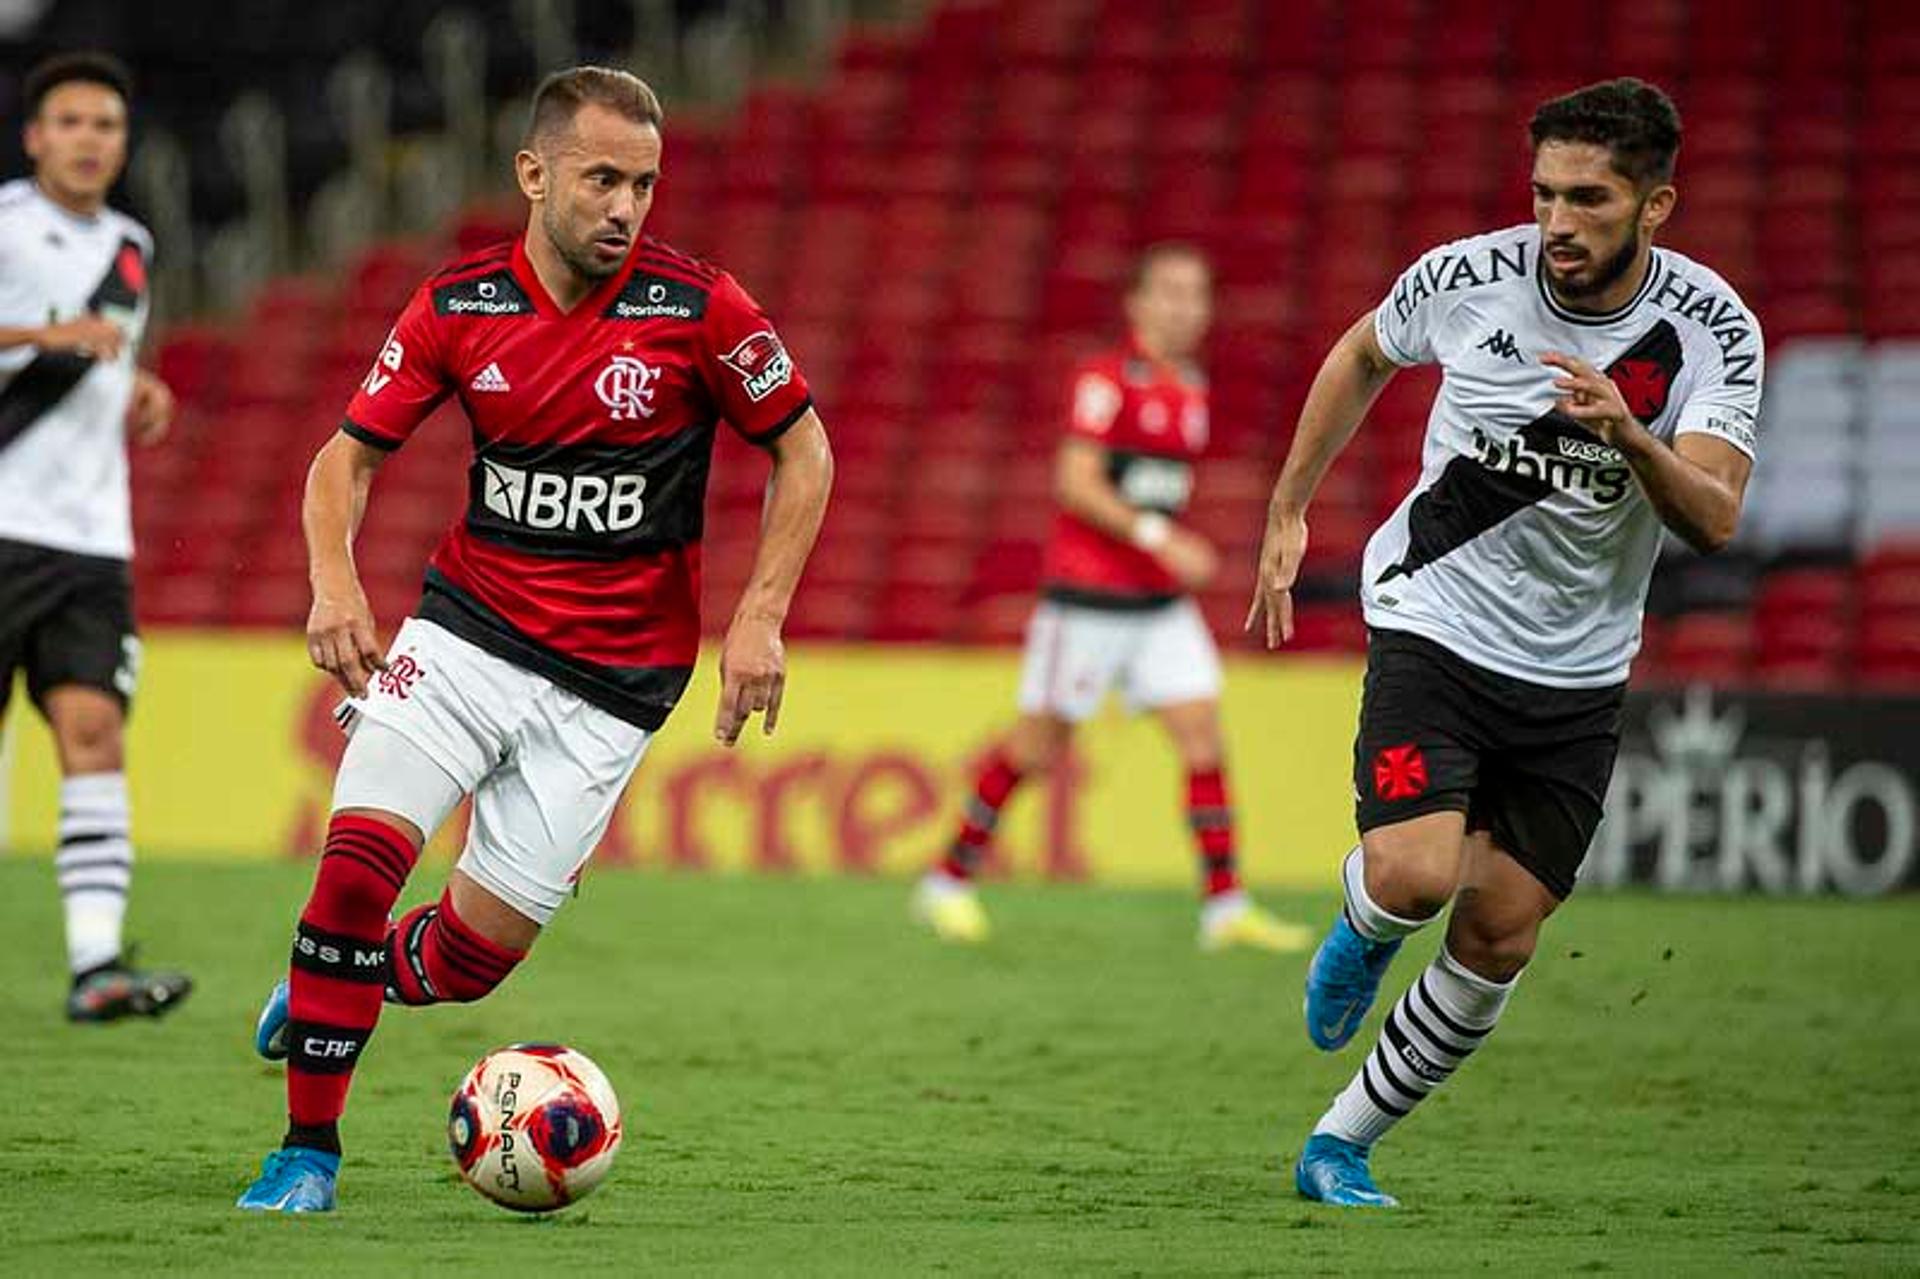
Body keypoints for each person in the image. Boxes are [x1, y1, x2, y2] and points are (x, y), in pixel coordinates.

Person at [236, 66, 833, 1213]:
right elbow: (343, 458)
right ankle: (306, 1150)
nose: (625, 207)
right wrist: (332, 583)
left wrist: (759, 612)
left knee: (471, 961)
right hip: (463, 638)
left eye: (644, 185)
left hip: (611, 690)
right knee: (355, 875)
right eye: (602, 178)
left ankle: (324, 987)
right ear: (533, 173)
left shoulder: (700, 308)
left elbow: (805, 449)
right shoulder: (457, 306)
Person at [1246, 78, 1762, 1207]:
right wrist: (1290, 507)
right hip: (1436, 619)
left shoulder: (1712, 328)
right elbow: (1360, 354)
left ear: (1655, 205)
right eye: (1544, 194)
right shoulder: (1468, 276)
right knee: (1417, 874)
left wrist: (1629, 433)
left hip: (1577, 674)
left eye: (1589, 198)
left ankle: (1341, 1143)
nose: (1558, 223)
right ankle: (1365, 912)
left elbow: (1716, 516)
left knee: (1500, 935)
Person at [913, 243, 1308, 953]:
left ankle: (1225, 907)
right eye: (1172, 292)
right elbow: (1076, 482)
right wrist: (1163, 538)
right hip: (1087, 602)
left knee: (1201, 733)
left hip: (1156, 608)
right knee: (1038, 745)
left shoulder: (1190, 386)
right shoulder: (1105, 379)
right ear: (1138, 302)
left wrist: (1165, 550)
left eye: (1198, 293)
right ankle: (946, 879)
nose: (1188, 307)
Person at [0, 52, 188, 1023]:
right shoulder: (5, 225)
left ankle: (96, 963)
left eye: (105, 125)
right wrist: (42, 337)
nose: (88, 139)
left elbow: (103, 355)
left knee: (93, 730)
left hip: (89, 541)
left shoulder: (131, 244)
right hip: (2, 525)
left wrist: (136, 386)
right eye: (69, 122)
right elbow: (60, 341)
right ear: (36, 136)